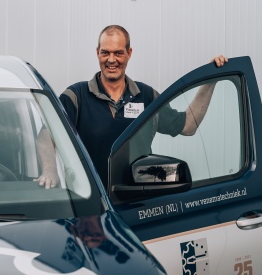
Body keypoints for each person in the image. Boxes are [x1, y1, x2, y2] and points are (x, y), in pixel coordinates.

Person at [35, 24, 227, 188]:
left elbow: (188, 125)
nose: (111, 60)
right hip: (90, 204)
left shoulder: (147, 97)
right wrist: (50, 171)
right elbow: (46, 136)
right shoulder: (76, 96)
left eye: (118, 53)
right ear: (97, 53)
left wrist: (209, 81)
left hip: (138, 203)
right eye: (105, 53)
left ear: (129, 53)